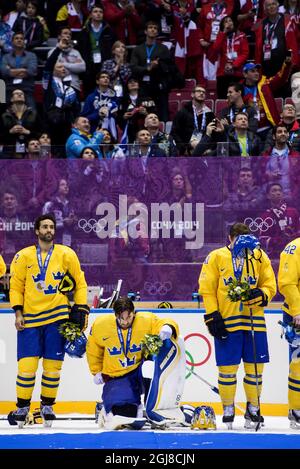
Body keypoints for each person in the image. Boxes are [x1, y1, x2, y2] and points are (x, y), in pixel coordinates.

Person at [8, 213, 89, 427]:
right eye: (44, 226)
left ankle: (47, 406)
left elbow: (80, 283)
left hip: (57, 318)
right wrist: (17, 312)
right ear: (37, 231)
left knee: (53, 368)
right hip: (30, 319)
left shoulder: (66, 254)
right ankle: (23, 407)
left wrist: (81, 308)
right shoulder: (22, 256)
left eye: (51, 227)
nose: (49, 230)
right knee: (27, 367)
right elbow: (15, 287)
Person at [198, 222, 276, 429]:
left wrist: (263, 294)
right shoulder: (216, 257)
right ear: (230, 238)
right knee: (227, 369)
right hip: (227, 321)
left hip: (254, 321)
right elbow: (207, 289)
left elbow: (270, 284)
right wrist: (212, 315)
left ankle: (253, 407)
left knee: (255, 369)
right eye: (238, 239)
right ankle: (228, 407)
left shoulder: (259, 256)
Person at [86, 297, 179, 429]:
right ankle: (111, 407)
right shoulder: (101, 325)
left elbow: (163, 322)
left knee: (151, 367)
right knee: (126, 414)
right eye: (121, 318)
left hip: (139, 371)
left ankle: (155, 408)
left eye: (128, 317)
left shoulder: (145, 320)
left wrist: (167, 327)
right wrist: (96, 371)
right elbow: (93, 350)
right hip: (118, 376)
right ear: (115, 315)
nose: (125, 321)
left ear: (133, 312)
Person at [278, 236, 300, 427]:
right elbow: (286, 283)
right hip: (297, 315)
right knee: (298, 365)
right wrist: (297, 310)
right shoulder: (294, 248)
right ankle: (297, 410)